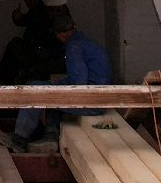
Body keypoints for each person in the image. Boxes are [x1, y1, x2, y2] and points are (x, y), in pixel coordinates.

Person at [8, 12, 111, 151]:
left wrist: (55, 86)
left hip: (89, 102)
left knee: (33, 91)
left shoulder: (73, 47)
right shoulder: (87, 44)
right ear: (74, 27)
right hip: (99, 100)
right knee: (50, 94)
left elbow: (78, 84)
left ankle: (19, 139)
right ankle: (51, 136)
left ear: (59, 35)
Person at [0, 0, 71, 83]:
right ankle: (3, 75)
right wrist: (17, 17)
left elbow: (60, 40)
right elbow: (25, 20)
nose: (27, 2)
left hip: (48, 55)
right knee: (15, 45)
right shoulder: (38, 11)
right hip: (34, 49)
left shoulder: (63, 18)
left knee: (36, 67)